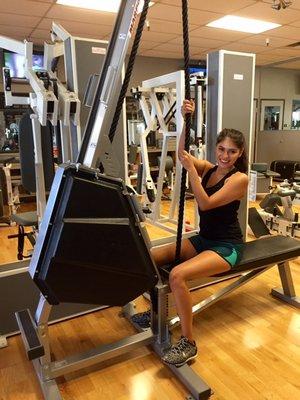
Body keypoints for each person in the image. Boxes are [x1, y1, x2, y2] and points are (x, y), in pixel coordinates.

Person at [132, 99, 249, 367]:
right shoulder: (209, 169)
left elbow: (205, 203)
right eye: (221, 149)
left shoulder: (238, 179)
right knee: (149, 256)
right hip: (204, 240)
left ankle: (188, 342)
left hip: (226, 246)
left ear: (240, 153)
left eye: (231, 151)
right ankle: (155, 314)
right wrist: (185, 121)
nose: (224, 155)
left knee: (177, 274)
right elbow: (181, 154)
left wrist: (192, 174)